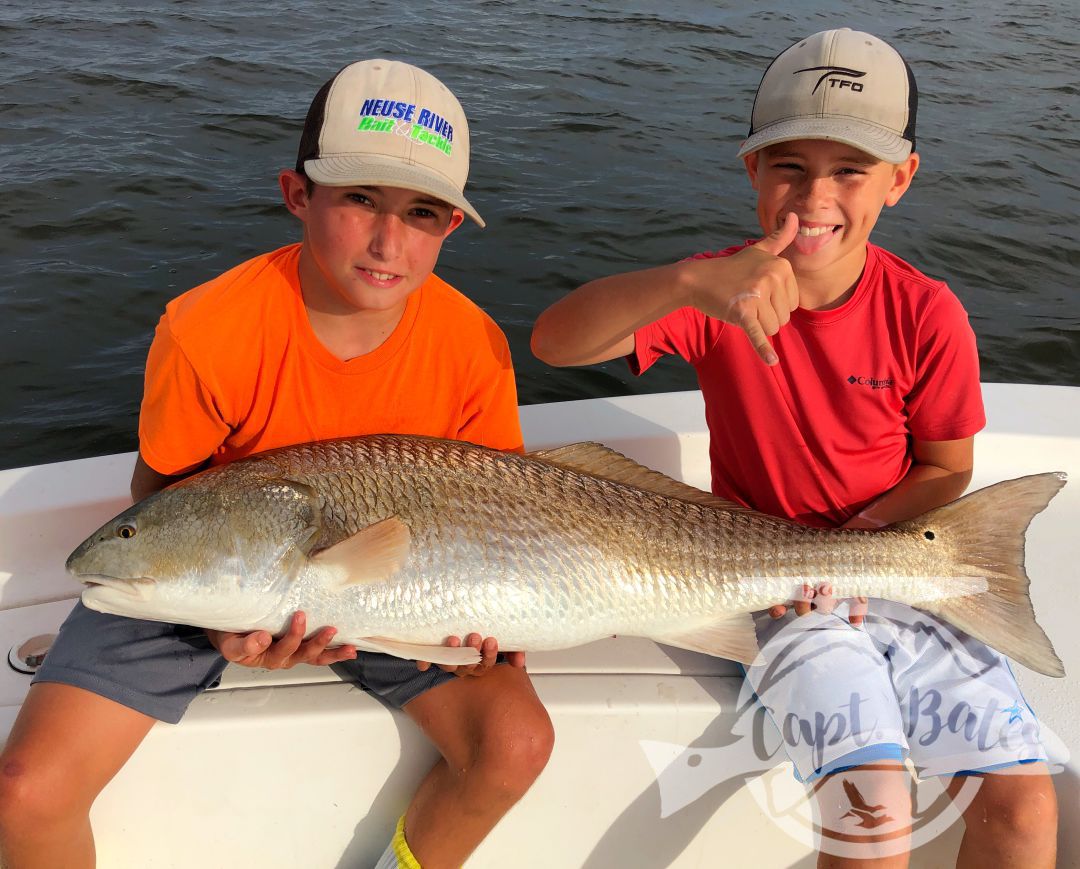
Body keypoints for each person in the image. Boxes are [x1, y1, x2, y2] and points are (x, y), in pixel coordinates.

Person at [0, 59, 554, 869]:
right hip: (214, 573)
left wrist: (502, 619)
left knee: (516, 742)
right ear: (298, 194)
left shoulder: (473, 346)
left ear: (452, 228)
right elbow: (161, 502)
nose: (388, 241)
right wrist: (226, 619)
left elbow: (502, 509)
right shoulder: (207, 331)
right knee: (24, 790)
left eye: (423, 211)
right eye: (360, 197)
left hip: (416, 589)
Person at [531, 28, 1057, 868]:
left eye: (850, 169)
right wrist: (685, 282)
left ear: (900, 179)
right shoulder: (714, 291)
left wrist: (862, 544)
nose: (816, 195)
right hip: (768, 588)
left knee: (1028, 805)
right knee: (872, 805)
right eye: (790, 166)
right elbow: (555, 343)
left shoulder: (928, 313)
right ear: (752, 171)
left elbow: (947, 465)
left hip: (886, 562)